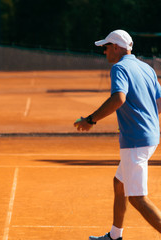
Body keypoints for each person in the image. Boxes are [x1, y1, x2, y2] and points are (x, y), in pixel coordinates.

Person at [74, 30, 161, 240]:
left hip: (136, 140)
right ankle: (115, 236)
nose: (104, 52)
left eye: (105, 48)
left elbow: (118, 99)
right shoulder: (145, 67)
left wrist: (90, 120)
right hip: (150, 136)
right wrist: (145, 118)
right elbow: (159, 101)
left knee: (138, 199)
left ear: (115, 47)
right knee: (119, 183)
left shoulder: (119, 67)